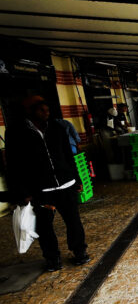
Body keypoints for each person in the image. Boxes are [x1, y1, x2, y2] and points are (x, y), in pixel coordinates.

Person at [5, 96, 90, 271]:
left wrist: (77, 179)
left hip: (66, 185)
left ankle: (79, 251)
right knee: (44, 227)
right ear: (29, 111)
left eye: (47, 110)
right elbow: (14, 165)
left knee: (74, 221)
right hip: (40, 189)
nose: (46, 113)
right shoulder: (16, 132)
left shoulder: (57, 128)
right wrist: (21, 192)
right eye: (41, 110)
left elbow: (68, 156)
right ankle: (52, 258)